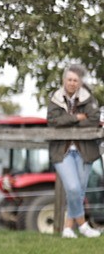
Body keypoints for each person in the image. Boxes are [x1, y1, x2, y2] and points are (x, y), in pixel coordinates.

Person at [46, 64, 101, 238]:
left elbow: (93, 120)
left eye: (75, 80)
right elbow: (53, 121)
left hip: (85, 150)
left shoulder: (88, 98)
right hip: (62, 151)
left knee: (78, 192)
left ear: (80, 82)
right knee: (73, 187)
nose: (72, 83)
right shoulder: (55, 98)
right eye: (69, 79)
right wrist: (76, 117)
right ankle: (83, 225)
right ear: (64, 80)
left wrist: (67, 121)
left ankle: (68, 229)